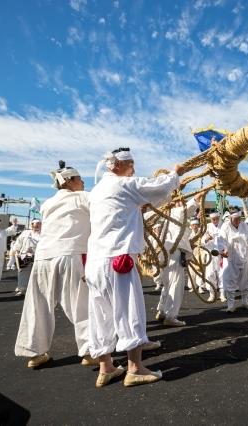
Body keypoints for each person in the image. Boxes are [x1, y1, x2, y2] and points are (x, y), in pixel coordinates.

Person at [86, 148, 182, 388]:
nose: (134, 170)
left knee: (100, 315)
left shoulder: (96, 191)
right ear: (117, 165)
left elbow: (122, 209)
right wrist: (176, 173)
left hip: (96, 262)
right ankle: (135, 368)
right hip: (118, 259)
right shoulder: (125, 184)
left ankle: (106, 367)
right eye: (131, 165)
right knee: (129, 312)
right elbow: (159, 188)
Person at [14, 162, 95, 368]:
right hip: (71, 254)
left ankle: (35, 352)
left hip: (43, 258)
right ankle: (90, 350)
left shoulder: (48, 204)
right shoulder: (84, 198)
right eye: (79, 179)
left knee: (38, 305)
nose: (84, 182)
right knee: (81, 304)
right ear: (69, 181)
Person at [156, 197, 199, 326]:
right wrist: (197, 198)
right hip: (174, 253)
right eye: (180, 201)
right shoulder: (175, 212)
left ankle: (162, 310)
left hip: (167, 253)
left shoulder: (169, 215)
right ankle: (170, 316)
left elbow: (186, 212)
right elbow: (185, 211)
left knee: (168, 283)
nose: (182, 203)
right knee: (176, 284)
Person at [217, 210, 248, 312]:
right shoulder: (225, 226)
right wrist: (223, 249)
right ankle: (231, 305)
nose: (238, 221)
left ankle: (245, 301)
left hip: (243, 257)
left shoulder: (244, 226)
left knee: (246, 280)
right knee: (229, 281)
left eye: (239, 219)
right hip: (230, 258)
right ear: (230, 218)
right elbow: (221, 240)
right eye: (235, 219)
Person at [11, 218, 42, 296]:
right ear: (31, 225)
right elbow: (19, 242)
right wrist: (16, 250)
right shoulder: (25, 233)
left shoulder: (43, 234)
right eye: (35, 224)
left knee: (38, 274)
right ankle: (22, 289)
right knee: (22, 273)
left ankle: (37, 290)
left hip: (38, 256)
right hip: (24, 255)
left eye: (39, 224)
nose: (37, 225)